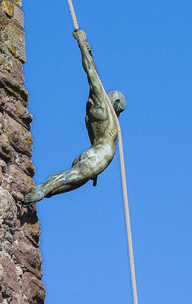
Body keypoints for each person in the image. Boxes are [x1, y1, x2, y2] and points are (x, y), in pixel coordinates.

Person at [33, 28, 124, 203]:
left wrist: (86, 49)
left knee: (68, 180)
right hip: (100, 156)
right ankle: (43, 191)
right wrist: (81, 42)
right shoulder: (107, 113)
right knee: (69, 178)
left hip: (90, 153)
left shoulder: (95, 110)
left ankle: (45, 190)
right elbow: (91, 72)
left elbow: (93, 73)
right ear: (117, 105)